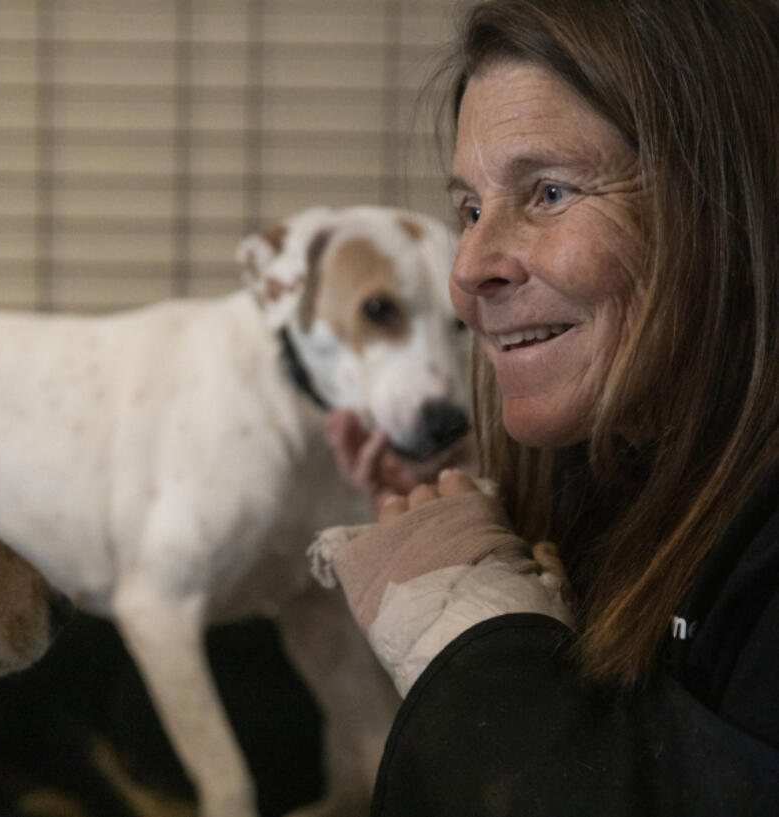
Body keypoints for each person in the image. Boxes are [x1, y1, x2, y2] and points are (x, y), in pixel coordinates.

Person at [313, 1, 779, 814]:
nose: (468, 269)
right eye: (470, 209)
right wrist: (449, 511)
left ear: (727, 206)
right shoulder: (607, 469)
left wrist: (474, 639)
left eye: (551, 192)